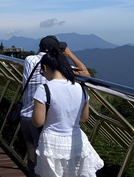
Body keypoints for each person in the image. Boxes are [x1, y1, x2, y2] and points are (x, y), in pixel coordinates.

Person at [20, 35, 90, 177]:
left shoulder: (29, 60)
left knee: (35, 159)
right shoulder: (77, 86)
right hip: (66, 136)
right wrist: (69, 55)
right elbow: (85, 73)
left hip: (25, 116)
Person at [32, 49, 103, 176]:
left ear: (45, 67)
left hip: (52, 142)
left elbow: (38, 122)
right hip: (76, 139)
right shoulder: (81, 88)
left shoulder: (44, 89)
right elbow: (84, 118)